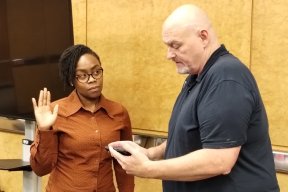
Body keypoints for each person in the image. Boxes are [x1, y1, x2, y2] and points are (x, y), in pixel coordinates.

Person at [108, 4, 279, 192]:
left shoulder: (226, 77)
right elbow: (189, 136)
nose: (169, 55)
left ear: (203, 37)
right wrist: (150, 153)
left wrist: (149, 169)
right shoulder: (197, 77)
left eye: (176, 45)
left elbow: (219, 160)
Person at [30, 44, 134, 192]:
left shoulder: (118, 112)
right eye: (83, 75)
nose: (92, 79)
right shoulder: (54, 112)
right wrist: (44, 129)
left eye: (97, 72)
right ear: (72, 80)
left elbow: (124, 165)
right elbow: (41, 169)